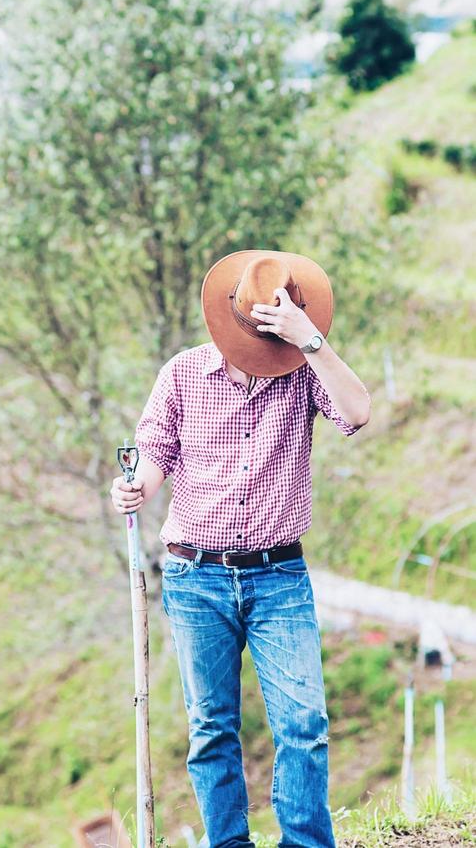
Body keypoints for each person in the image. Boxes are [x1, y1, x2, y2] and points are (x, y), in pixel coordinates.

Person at [109, 250, 371, 848]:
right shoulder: (182, 374)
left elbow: (358, 413)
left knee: (304, 723)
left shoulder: (307, 373)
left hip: (279, 574)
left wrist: (311, 343)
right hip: (195, 575)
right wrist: (135, 488)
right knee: (211, 728)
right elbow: (154, 456)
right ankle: (227, 843)